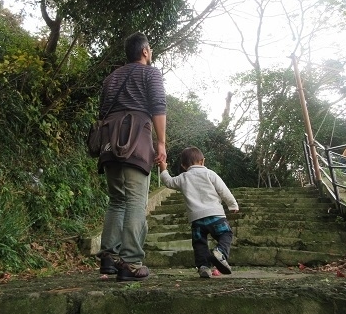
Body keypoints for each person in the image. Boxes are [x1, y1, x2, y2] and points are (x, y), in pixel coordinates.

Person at [97, 32, 166, 281]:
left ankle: (109, 257)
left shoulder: (111, 78)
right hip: (136, 139)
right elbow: (158, 106)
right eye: (150, 49)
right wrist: (161, 142)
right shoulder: (151, 73)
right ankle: (131, 263)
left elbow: (102, 112)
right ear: (145, 51)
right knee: (136, 200)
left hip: (109, 140)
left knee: (117, 200)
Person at [159, 146, 239, 278]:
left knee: (199, 243)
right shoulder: (210, 174)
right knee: (226, 234)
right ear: (202, 161)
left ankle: (204, 267)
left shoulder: (183, 177)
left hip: (196, 220)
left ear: (183, 166)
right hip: (215, 215)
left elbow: (168, 182)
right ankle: (220, 252)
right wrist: (232, 205)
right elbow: (223, 190)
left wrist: (163, 169)